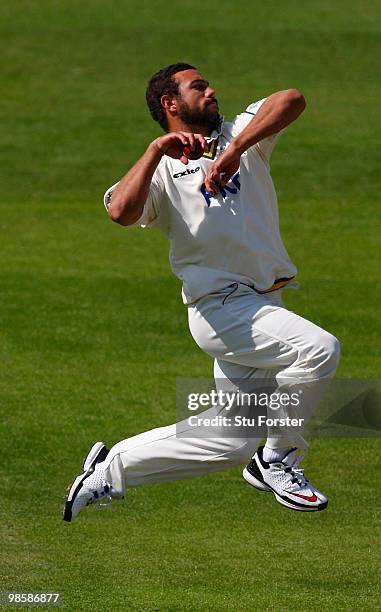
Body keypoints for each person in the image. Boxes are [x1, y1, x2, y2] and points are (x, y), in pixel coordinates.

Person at [63, 63, 340, 522]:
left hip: (263, 303)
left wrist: (237, 150)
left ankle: (109, 470)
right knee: (318, 350)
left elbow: (291, 98)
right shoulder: (161, 170)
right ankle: (278, 458)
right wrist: (155, 150)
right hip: (223, 309)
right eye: (198, 87)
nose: (212, 91)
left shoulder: (239, 135)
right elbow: (119, 211)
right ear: (171, 104)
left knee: (228, 441)